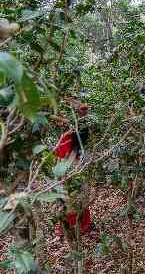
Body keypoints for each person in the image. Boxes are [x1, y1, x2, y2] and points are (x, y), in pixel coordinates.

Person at [53, 96, 95, 239]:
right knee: (76, 197)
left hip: (70, 167)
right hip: (78, 165)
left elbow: (60, 152)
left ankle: (76, 226)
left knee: (70, 199)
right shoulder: (82, 125)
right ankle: (81, 225)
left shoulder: (70, 132)